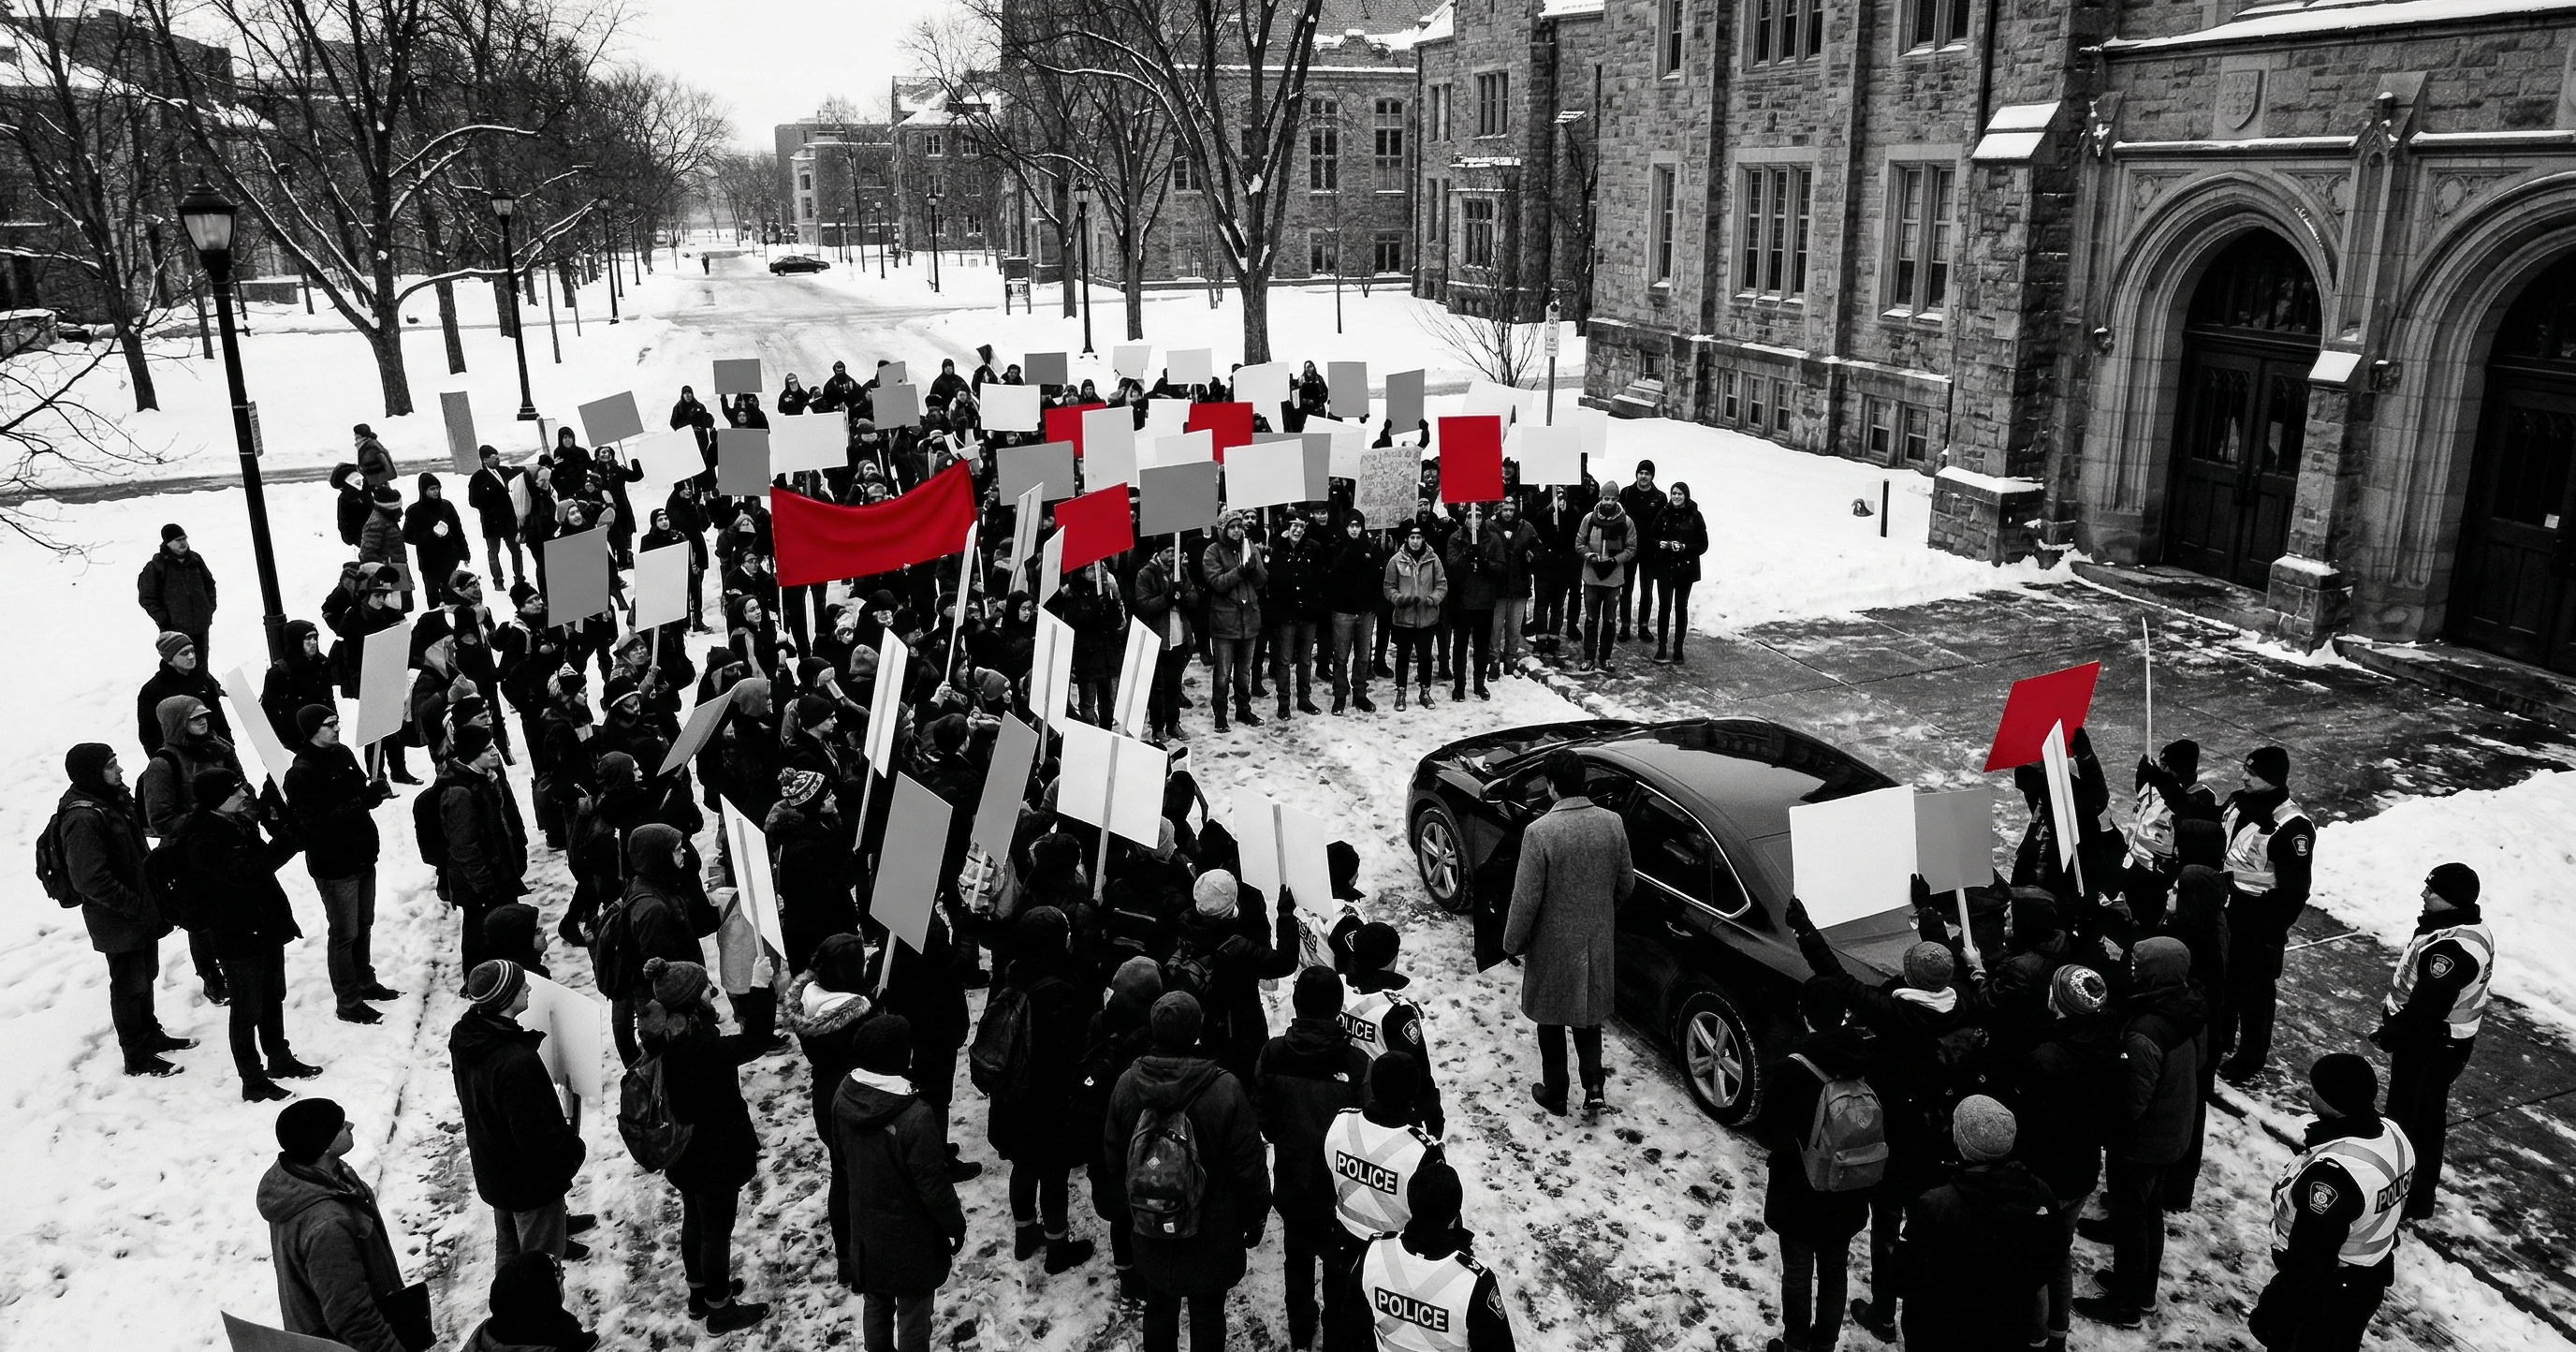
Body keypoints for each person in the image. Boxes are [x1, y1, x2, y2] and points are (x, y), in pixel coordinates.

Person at [1104, 992, 1271, 1352]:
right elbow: (1249, 1165)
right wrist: (1256, 1215)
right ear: (1197, 1031)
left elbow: (1113, 1157)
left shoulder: (1127, 1085)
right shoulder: (1224, 1088)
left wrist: (1124, 1212)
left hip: (1150, 1225)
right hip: (1212, 1229)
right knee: (1209, 1312)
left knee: (1159, 1306)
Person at [2074, 935, 2207, 1330]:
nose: (2131, 970)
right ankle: (2142, 1290)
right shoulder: (2189, 1005)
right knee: (2149, 1213)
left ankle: (2125, 1305)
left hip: (2141, 1143)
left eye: (2137, 965)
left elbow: (2133, 1099)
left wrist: (2105, 1129)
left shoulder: (2146, 1033)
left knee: (2131, 1221)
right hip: (2173, 1130)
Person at [637, 957, 774, 1332]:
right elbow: (757, 1041)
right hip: (715, 1149)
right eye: (704, 986)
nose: (710, 990)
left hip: (684, 1151)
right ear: (690, 998)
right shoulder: (699, 1045)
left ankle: (700, 1295)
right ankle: (721, 1309)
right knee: (716, 1228)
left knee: (695, 1218)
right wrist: (760, 988)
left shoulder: (666, 1034)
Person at [2249, 1054, 2415, 1352]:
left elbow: (2309, 1266)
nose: (2309, 1092)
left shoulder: (2332, 1178)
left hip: (2329, 1296)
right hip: (2367, 1278)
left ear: (2334, 1103)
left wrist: (2275, 1310)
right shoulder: (2393, 1132)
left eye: (2317, 1089)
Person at [1502, 749, 1634, 1115]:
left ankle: (1556, 1092)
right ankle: (1594, 1086)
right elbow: (1626, 884)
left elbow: (1526, 899)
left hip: (1552, 945)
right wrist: (1600, 916)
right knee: (1587, 1016)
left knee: (1551, 1017)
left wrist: (1512, 941)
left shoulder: (1539, 833)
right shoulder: (1613, 823)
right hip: (1596, 941)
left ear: (1552, 786)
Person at [51, 742, 194, 1076]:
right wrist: (133, 905)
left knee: (145, 976)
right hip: (119, 918)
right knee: (129, 985)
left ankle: (151, 1036)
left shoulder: (108, 801)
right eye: (111, 765)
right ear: (92, 773)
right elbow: (89, 878)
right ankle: (136, 1054)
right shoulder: (83, 817)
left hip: (140, 911)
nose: (120, 770)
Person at [835, 1014, 969, 1352]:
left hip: (866, 1233)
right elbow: (934, 1186)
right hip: (913, 1242)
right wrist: (955, 1225)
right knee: (913, 1316)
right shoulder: (915, 1116)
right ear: (897, 1057)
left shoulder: (842, 1097)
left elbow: (842, 1160)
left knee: (876, 1303)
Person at [183, 768, 318, 1101]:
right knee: (246, 1010)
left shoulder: (234, 821)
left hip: (264, 924)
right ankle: (253, 1081)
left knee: (273, 996)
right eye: (236, 791)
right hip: (236, 934)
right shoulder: (202, 839)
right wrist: (288, 842)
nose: (245, 793)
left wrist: (283, 825)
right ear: (217, 801)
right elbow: (248, 872)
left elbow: (259, 859)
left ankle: (280, 1059)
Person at [1255, 967, 1372, 1351]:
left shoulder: (1272, 1053)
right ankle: (1336, 1332)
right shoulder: (1356, 1064)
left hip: (1291, 1178)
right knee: (1340, 1267)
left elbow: (1265, 1120)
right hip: (1342, 1189)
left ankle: (1300, 1328)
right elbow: (1368, 1132)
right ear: (1338, 1009)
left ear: (1296, 1003)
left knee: (1297, 1258)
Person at [1892, 1096, 2064, 1352]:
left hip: (1940, 1334)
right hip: (2007, 1329)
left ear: (1961, 1142)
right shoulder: (2040, 1193)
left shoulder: (1937, 1205)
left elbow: (1903, 1280)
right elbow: (2052, 1260)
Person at [2369, 862, 2491, 1221]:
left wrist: (2391, 1033)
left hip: (2431, 1045)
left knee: (2413, 1121)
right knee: (2421, 1116)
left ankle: (2410, 1198)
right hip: (2438, 1042)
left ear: (2452, 901)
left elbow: (2426, 1010)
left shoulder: (2451, 949)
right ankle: (2411, 1192)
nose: (2424, 894)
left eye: (2432, 891)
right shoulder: (2460, 928)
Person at [1755, 982, 1872, 1352]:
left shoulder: (1793, 1068)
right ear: (1843, 1014)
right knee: (1835, 1272)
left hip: (1798, 1192)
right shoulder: (1865, 1057)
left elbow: (1769, 1134)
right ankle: (1825, 1345)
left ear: (1804, 1015)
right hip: (1847, 1186)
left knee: (1798, 1274)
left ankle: (1795, 1345)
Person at [985, 907, 1103, 1273]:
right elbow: (1077, 1046)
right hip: (1048, 1100)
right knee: (1053, 1173)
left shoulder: (1011, 975)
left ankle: (1024, 1234)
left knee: (1022, 1165)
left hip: (1011, 1095)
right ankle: (1057, 1247)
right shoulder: (1061, 988)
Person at [451, 960, 591, 1264]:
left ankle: (511, 1305)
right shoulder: (514, 1062)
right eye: (520, 985)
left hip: (495, 1167)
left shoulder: (466, 1034)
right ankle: (535, 1311)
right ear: (504, 998)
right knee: (540, 1266)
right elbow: (537, 1138)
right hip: (531, 1185)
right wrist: (573, 1150)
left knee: (511, 1250)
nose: (528, 987)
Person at [256, 1099, 412, 1352]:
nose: (350, 1125)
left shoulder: (306, 1178)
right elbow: (351, 1313)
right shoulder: (326, 1223)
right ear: (323, 1144)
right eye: (340, 1126)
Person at [284, 706, 399, 1024]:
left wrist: (374, 791)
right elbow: (317, 824)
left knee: (364, 925)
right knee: (345, 933)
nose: (336, 729)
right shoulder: (301, 773)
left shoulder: (343, 752)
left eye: (337, 722)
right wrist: (363, 801)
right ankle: (348, 1000)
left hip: (362, 853)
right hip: (334, 865)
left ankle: (365, 981)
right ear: (311, 731)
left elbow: (358, 792)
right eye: (329, 724)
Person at [1345, 1160, 1516, 1352]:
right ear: (1454, 1216)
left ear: (1411, 1203)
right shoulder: (1475, 1283)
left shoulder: (1373, 1253)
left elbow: (1350, 1327)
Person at [2216, 745, 2313, 1084]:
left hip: (2258, 921)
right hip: (2227, 910)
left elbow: (2295, 891)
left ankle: (2251, 1057)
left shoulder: (2292, 827)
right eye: (2245, 769)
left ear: (2272, 779)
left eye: (2253, 773)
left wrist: (2270, 931)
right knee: (2223, 980)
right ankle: (2222, 1037)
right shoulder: (2237, 802)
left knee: (2254, 994)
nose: (2243, 776)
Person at [1334, 920, 1446, 1135]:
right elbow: (1418, 1070)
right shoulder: (1396, 1012)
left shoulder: (1336, 987)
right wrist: (1432, 1117)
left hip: (1342, 1097)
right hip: (1386, 1111)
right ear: (1391, 960)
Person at [433, 725, 529, 973]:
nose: (495, 752)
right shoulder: (459, 794)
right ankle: (476, 979)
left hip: (494, 876)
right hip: (479, 885)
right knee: (479, 929)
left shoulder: (483, 778)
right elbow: (465, 848)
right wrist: (485, 886)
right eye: (488, 749)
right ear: (472, 754)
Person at [1325, 1051, 1445, 1244]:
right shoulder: (1423, 1151)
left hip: (1343, 1235)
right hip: (1392, 1251)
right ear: (1414, 1091)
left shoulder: (1341, 1121)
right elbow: (1436, 1222)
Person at [1203, 513, 1268, 731]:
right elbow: (1218, 583)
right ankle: (1220, 713)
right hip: (1225, 623)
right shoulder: (1213, 551)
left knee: (1244, 672)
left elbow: (1261, 581)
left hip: (1249, 620)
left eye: (1240, 526)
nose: (1237, 531)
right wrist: (1240, 571)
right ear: (1223, 529)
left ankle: (1243, 709)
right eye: (1232, 527)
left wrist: (1255, 566)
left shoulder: (1248, 547)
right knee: (1223, 674)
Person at [462, 1254, 599, 1352]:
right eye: (557, 1277)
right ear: (545, 1299)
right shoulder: (558, 1345)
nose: (563, 1275)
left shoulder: (488, 1332)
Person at [1266, 516, 1326, 719]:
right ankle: (1283, 702)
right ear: (1287, 528)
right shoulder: (1279, 549)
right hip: (1286, 615)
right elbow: (1272, 579)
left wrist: (1314, 602)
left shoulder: (1314, 548)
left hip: (1308, 614)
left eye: (1301, 526)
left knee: (1305, 660)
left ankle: (1304, 698)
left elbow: (1321, 577)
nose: (1298, 530)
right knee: (1283, 661)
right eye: (1294, 526)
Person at [1324, 512, 1383, 714]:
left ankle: (1360, 693)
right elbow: (1331, 574)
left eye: (1358, 525)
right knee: (1340, 656)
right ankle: (1340, 694)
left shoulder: (1370, 547)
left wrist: (1374, 603)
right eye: (1351, 526)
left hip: (1366, 611)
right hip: (1343, 611)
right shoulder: (1337, 547)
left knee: (1363, 656)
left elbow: (1377, 577)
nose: (1355, 529)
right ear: (1346, 527)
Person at [1383, 524, 1446, 711]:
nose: (1415, 541)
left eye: (1418, 538)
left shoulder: (1433, 560)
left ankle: (1425, 691)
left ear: (1423, 539)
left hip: (1427, 619)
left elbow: (1442, 585)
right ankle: (1401, 692)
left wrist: (1433, 599)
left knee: (1425, 657)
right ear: (1406, 539)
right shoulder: (1396, 561)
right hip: (1404, 618)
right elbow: (1388, 587)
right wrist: (1399, 598)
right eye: (1412, 538)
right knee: (1402, 657)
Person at [138, 630, 229, 755]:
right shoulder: (152, 691)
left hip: (217, 750)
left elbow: (217, 716)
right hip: (182, 757)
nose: (191, 656)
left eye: (192, 651)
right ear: (170, 660)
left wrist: (228, 744)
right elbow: (149, 734)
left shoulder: (204, 679)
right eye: (184, 653)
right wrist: (167, 761)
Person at [1646, 482, 1707, 664]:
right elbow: (1652, 537)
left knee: (1681, 607)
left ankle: (1678, 648)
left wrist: (1684, 548)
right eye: (1674, 493)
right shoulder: (1664, 514)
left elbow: (1703, 545)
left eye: (1680, 494)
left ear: (1686, 496)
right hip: (1665, 567)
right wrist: (1660, 544)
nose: (1676, 497)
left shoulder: (1695, 516)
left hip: (1685, 569)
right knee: (1664, 607)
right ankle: (1662, 647)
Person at [1574, 492, 1635, 674]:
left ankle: (1605, 657)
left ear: (1617, 500)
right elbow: (1579, 543)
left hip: (1613, 579)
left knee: (1609, 620)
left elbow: (1632, 548)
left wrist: (1615, 560)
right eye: (1606, 498)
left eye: (1613, 499)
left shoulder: (1626, 522)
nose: (1609, 502)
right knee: (1591, 620)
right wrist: (1589, 555)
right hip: (1592, 577)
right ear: (1600, 499)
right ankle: (1588, 657)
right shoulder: (1589, 519)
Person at [138, 522, 218, 660]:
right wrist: (164, 619)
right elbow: (147, 597)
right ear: (168, 543)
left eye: (184, 539)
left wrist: (208, 608)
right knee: (181, 670)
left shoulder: (195, 560)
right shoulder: (157, 566)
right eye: (178, 540)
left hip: (200, 627)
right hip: (175, 632)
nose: (183, 543)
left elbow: (209, 584)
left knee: (201, 666)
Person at [1442, 506, 1497, 701]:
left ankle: (1479, 683)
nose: (1475, 519)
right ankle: (1459, 685)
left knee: (1482, 647)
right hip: (1462, 603)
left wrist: (1484, 562)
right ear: (1464, 519)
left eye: (1479, 516)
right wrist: (1467, 555)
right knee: (1460, 647)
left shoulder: (1493, 538)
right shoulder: (1455, 539)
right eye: (1471, 516)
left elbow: (1501, 568)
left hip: (1485, 602)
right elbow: (1452, 567)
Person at [405, 473, 472, 605]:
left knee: (453, 593)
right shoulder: (414, 511)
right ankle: (437, 621)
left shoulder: (447, 506)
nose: (436, 492)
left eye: (437, 488)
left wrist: (464, 552)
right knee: (433, 596)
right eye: (432, 489)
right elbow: (407, 536)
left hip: (450, 558)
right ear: (423, 491)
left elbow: (458, 530)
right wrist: (431, 534)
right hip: (429, 561)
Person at [469, 448, 528, 587]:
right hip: (491, 522)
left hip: (508, 520)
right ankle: (498, 580)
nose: (497, 458)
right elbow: (473, 501)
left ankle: (519, 577)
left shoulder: (503, 471)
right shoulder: (478, 478)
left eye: (497, 456)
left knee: (516, 550)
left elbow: (520, 471)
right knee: (493, 553)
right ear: (485, 460)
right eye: (493, 456)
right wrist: (491, 503)